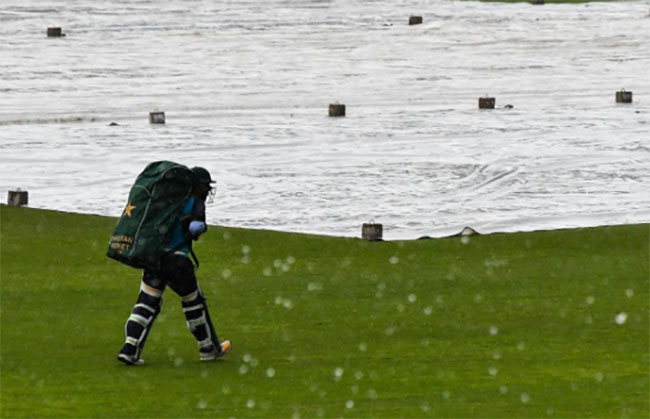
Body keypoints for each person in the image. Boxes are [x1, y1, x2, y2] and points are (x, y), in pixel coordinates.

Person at [117, 166, 230, 365]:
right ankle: (208, 349)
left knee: (146, 304)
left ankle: (129, 348)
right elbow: (195, 227)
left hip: (154, 258)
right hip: (178, 261)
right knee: (194, 302)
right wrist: (200, 227)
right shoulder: (194, 202)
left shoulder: (166, 200)